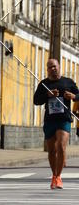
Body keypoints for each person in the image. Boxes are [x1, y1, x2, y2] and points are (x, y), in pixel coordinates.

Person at [33, 58, 79, 189]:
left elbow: (78, 94)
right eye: (50, 67)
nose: (53, 69)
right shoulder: (44, 84)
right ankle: (54, 175)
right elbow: (36, 101)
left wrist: (74, 97)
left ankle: (58, 177)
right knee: (52, 150)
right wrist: (47, 95)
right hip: (50, 120)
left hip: (64, 119)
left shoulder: (68, 82)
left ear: (59, 67)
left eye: (54, 66)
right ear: (47, 70)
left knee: (61, 146)